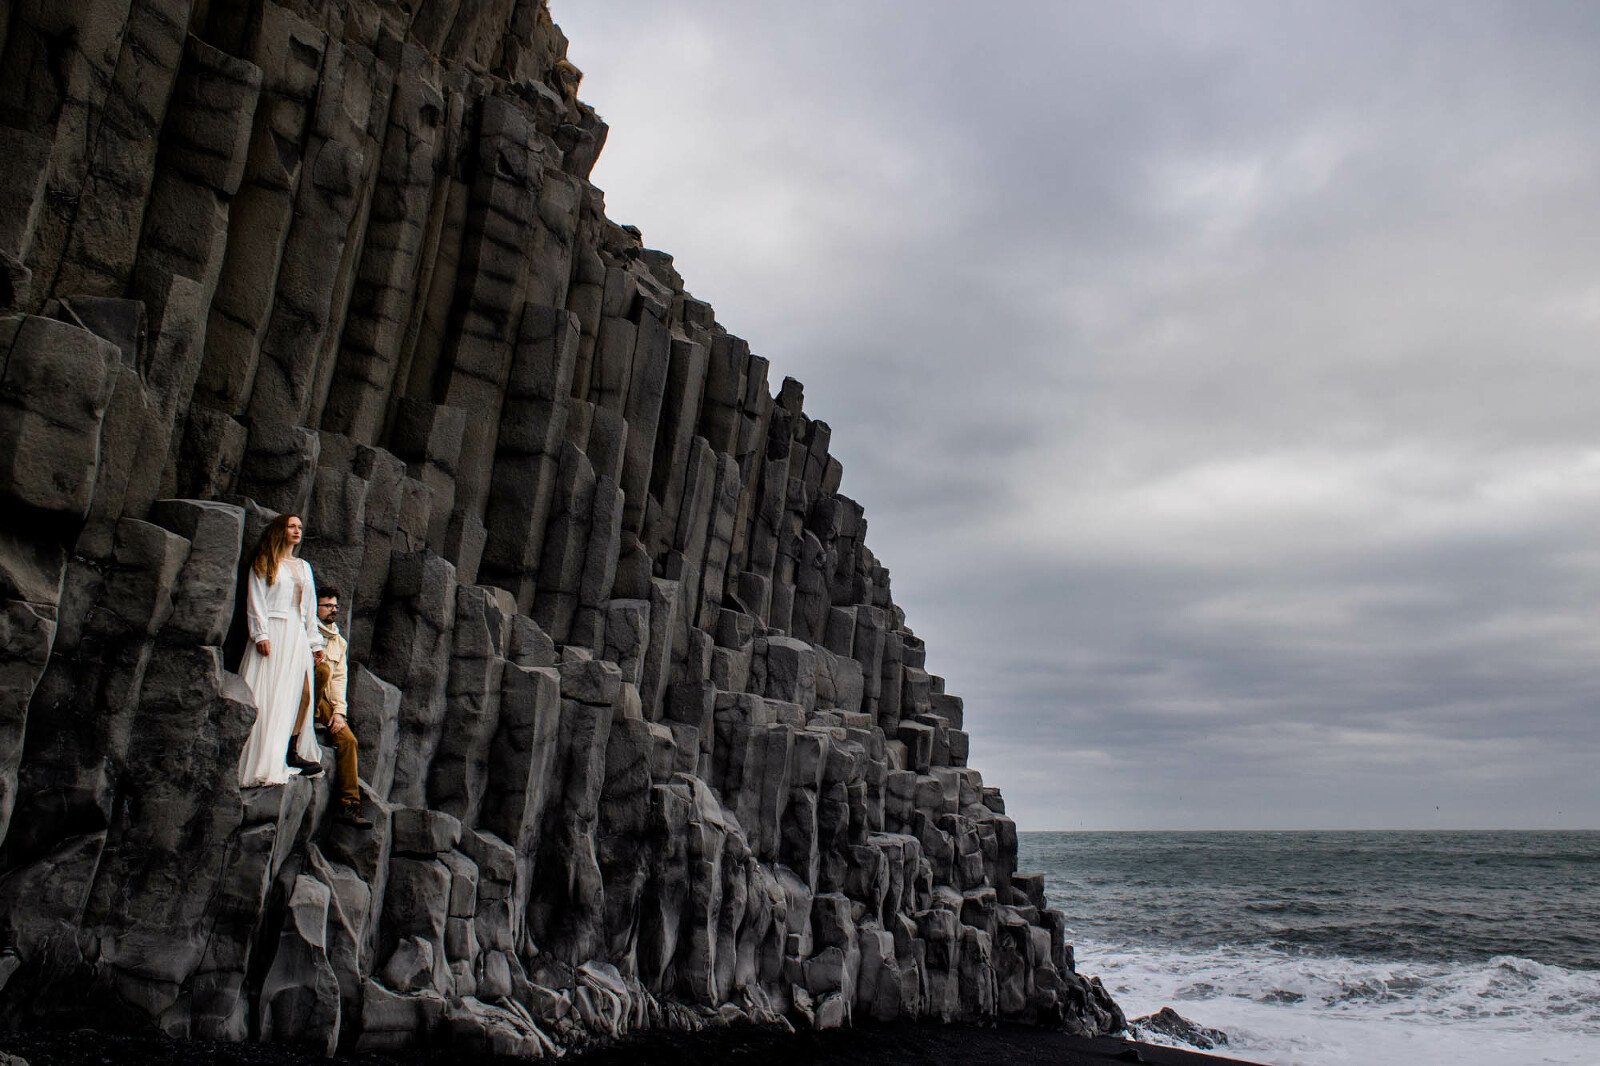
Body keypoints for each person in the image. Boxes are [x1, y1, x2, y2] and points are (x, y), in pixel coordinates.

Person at [237, 513, 325, 786]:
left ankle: (288, 749)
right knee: (266, 692)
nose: (297, 531)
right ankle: (260, 757)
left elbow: (309, 610)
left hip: (296, 634)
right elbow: (256, 598)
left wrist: (315, 642)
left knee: (299, 692)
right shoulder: (266, 560)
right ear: (281, 530)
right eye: (291, 526)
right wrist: (260, 633)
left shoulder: (303, 566)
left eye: (300, 527)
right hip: (273, 630)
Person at [313, 587, 371, 828]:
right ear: (315, 607)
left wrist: (339, 713)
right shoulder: (306, 630)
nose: (333, 610)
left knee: (348, 741)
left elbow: (340, 680)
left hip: (324, 703)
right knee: (322, 670)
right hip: (302, 693)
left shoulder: (339, 642)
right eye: (328, 605)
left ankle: (349, 806)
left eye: (335, 606)